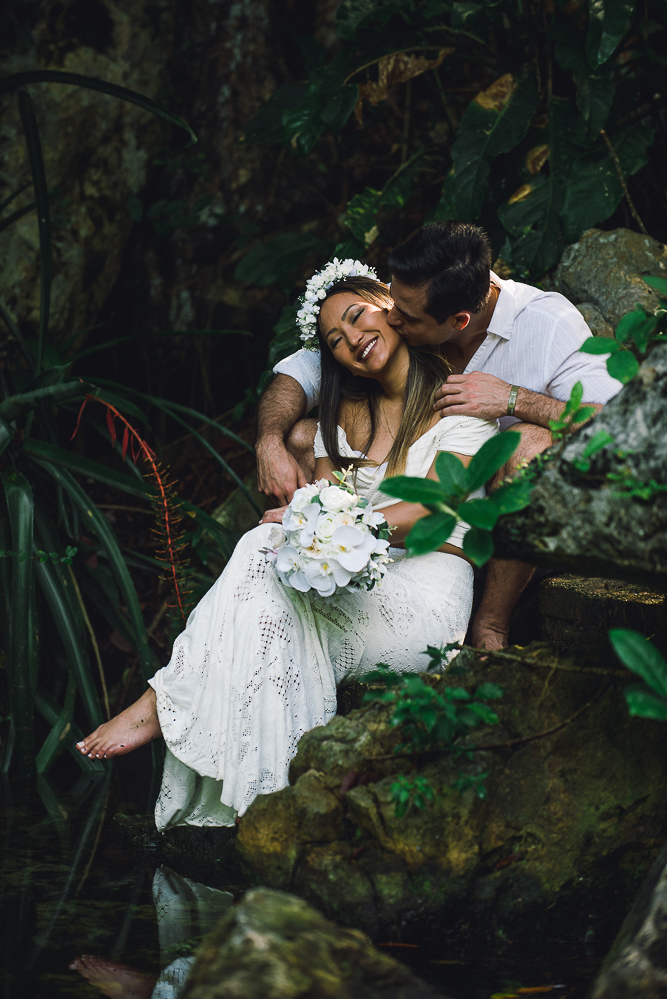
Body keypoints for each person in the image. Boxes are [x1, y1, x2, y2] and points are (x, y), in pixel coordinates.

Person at [76, 268, 497, 829]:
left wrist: (322, 525)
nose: (351, 341)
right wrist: (306, 527)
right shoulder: (338, 421)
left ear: (389, 307)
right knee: (268, 581)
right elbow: (322, 514)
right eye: (333, 342)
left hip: (427, 602)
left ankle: (161, 706)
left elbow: (437, 506)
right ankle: (260, 804)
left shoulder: (458, 400)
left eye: (356, 318)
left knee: (265, 547)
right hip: (360, 588)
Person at [256, 222, 622, 650]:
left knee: (529, 445)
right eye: (389, 300)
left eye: (405, 317)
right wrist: (268, 440)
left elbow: (616, 427)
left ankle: (491, 626)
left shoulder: (545, 324)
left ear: (458, 321)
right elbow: (300, 371)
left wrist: (514, 399)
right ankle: (330, 580)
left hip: (508, 507)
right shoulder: (409, 300)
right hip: (410, 493)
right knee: (302, 435)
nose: (390, 318)